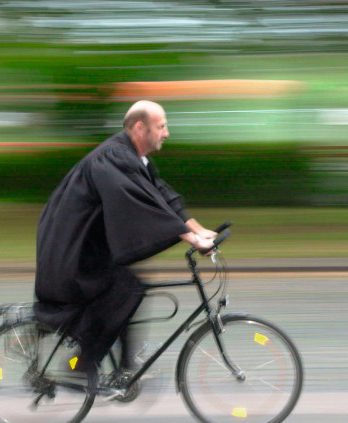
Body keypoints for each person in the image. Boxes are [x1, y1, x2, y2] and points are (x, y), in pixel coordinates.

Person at [33, 100, 215, 388]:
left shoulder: (132, 158)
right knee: (126, 289)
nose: (167, 133)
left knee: (130, 288)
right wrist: (191, 238)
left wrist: (199, 229)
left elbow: (160, 195)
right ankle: (79, 365)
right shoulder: (114, 157)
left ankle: (125, 368)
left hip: (85, 249)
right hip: (72, 253)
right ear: (140, 127)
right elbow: (139, 200)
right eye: (162, 126)